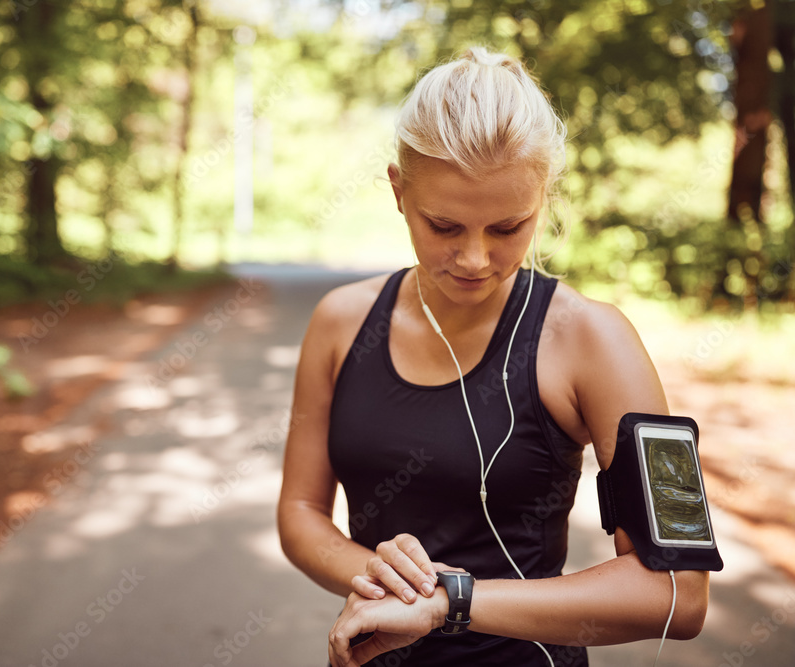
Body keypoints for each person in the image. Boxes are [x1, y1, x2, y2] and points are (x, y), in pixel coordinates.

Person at [276, 46, 709, 667]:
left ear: (545, 195)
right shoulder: (341, 323)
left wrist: (453, 601)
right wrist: (382, 574)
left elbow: (679, 589)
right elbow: (299, 511)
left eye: (508, 227)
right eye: (444, 226)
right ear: (399, 191)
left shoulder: (596, 339)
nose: (475, 259)